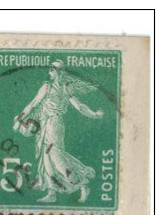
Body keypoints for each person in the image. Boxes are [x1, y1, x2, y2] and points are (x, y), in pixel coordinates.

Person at [15, 59, 103, 204]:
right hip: (45, 124)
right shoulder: (55, 87)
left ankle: (82, 184)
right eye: (50, 68)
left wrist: (93, 114)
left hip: (54, 124)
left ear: (59, 72)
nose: (50, 71)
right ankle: (52, 192)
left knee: (55, 156)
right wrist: (21, 117)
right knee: (47, 157)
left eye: (53, 68)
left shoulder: (56, 87)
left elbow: (78, 106)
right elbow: (35, 103)